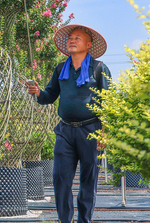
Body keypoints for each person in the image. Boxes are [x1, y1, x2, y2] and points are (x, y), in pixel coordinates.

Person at [26, 24, 111, 223]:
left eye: (77, 38)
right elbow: (49, 96)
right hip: (65, 131)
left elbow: (108, 102)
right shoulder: (60, 69)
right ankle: (65, 220)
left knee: (88, 180)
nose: (72, 40)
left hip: (91, 130)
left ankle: (84, 220)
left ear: (88, 45)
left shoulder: (99, 68)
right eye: (70, 38)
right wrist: (38, 92)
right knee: (60, 179)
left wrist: (105, 132)